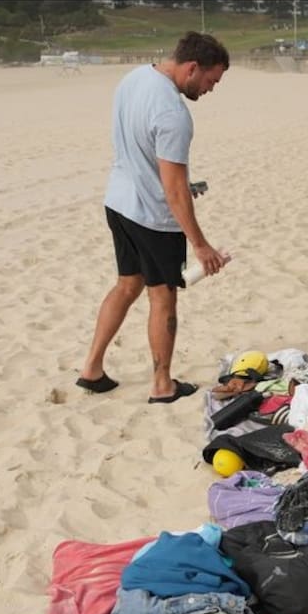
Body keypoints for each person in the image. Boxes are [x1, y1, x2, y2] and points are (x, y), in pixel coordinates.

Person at [77, 32, 229, 404]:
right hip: (152, 217)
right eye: (211, 81)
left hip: (119, 202)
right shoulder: (174, 114)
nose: (211, 89)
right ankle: (162, 384)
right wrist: (201, 245)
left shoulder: (134, 79)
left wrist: (178, 185)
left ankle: (91, 369)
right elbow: (174, 192)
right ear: (192, 68)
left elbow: (139, 146)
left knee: (126, 285)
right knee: (162, 296)